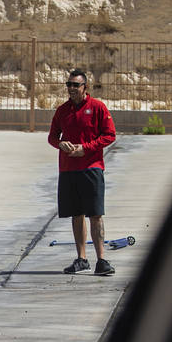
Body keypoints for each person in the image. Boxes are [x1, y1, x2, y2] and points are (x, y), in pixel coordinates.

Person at [48, 68, 116, 276]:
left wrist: (85, 148)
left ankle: (102, 260)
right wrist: (62, 145)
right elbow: (52, 137)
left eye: (75, 85)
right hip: (68, 170)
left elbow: (109, 135)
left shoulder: (97, 108)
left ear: (85, 87)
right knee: (76, 214)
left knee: (95, 214)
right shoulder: (62, 110)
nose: (71, 89)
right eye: (68, 85)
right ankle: (82, 258)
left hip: (91, 168)